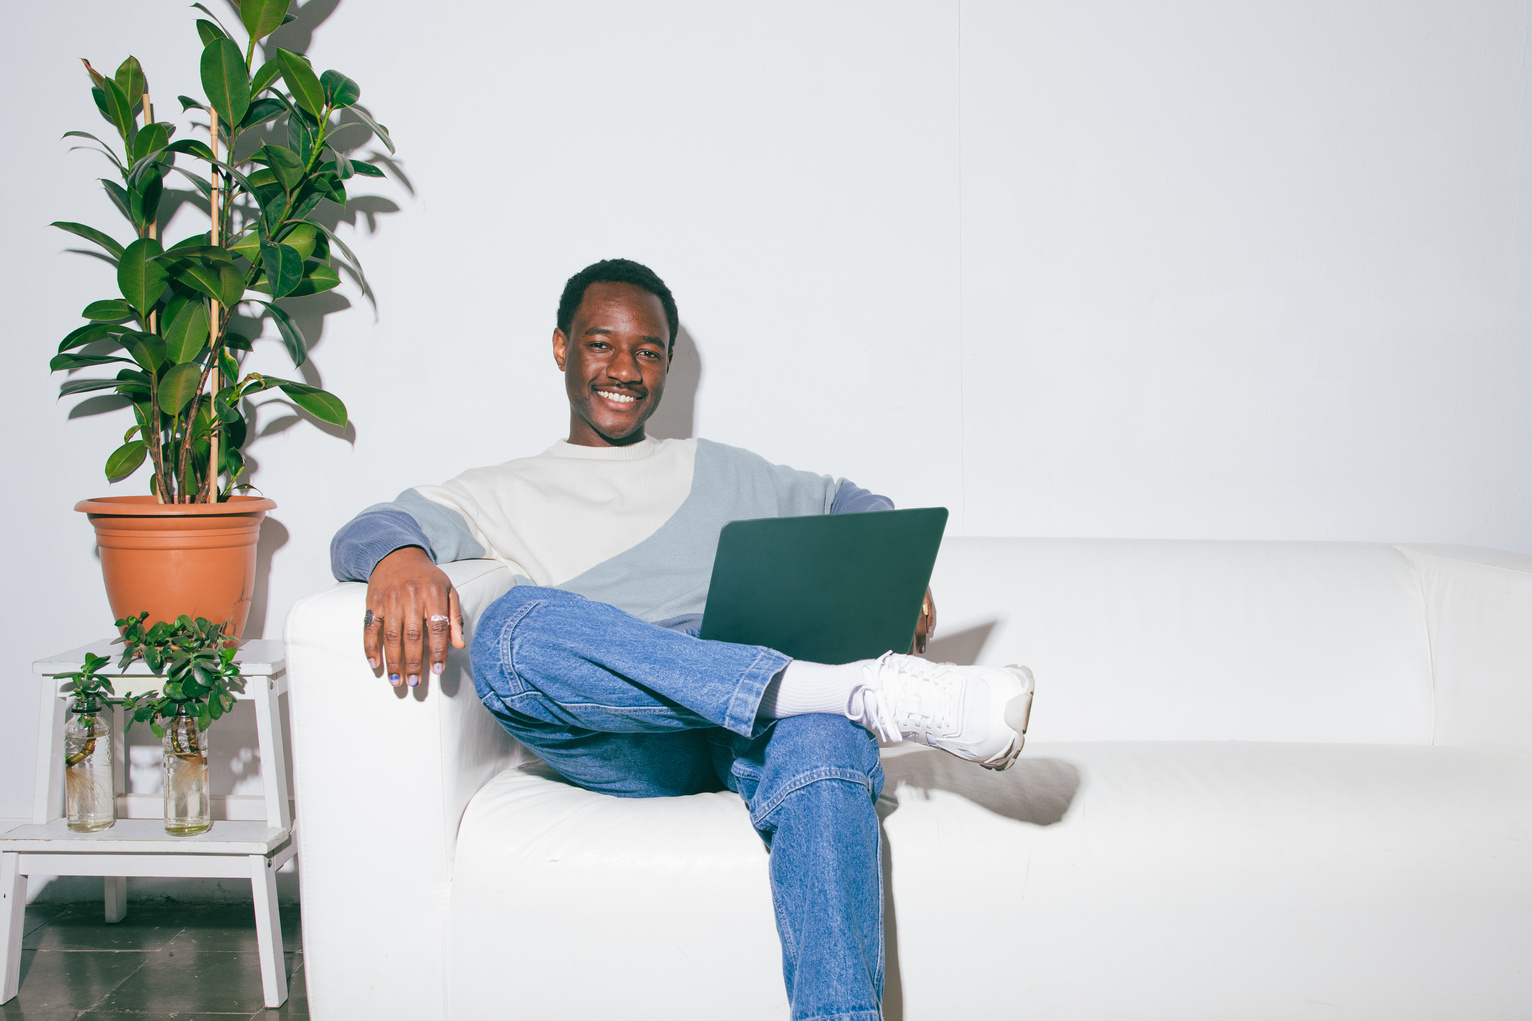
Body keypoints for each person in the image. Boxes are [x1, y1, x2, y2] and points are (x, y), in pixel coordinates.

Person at [330, 258, 1035, 1021]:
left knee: (824, 736)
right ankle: (857, 689)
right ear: (562, 347)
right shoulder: (502, 488)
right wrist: (399, 559)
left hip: (762, 727)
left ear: (668, 361)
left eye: (649, 351)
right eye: (602, 345)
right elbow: (367, 529)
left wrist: (895, 569)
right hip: (627, 732)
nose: (625, 369)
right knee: (508, 628)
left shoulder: (720, 468)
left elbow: (850, 500)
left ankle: (832, 697)